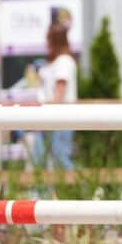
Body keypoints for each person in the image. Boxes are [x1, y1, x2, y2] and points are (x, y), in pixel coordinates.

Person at [34, 23, 77, 169]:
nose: (47, 44)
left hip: (59, 118)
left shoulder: (64, 61)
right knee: (39, 159)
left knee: (61, 160)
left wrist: (47, 112)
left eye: (49, 40)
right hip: (47, 117)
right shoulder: (51, 62)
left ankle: (85, 189)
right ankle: (41, 192)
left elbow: (59, 92)